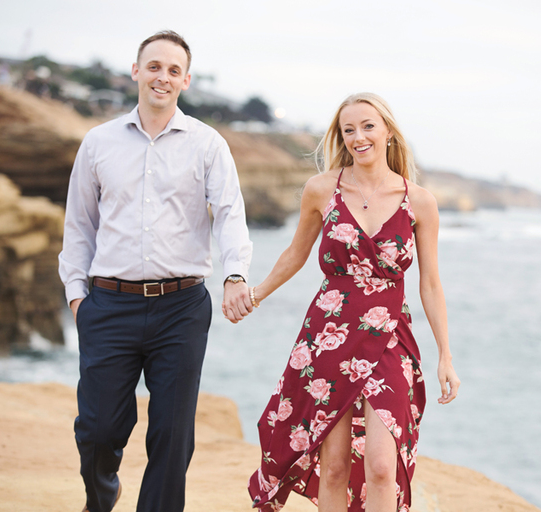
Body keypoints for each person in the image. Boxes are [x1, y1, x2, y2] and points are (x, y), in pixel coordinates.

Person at [58, 30, 253, 512]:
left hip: (181, 308)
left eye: (173, 70)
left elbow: (230, 214)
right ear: (136, 71)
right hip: (108, 305)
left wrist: (235, 275)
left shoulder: (208, 144)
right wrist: (77, 297)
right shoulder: (98, 142)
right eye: (154, 66)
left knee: (172, 434)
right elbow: (79, 223)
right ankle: (102, 494)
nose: (162, 77)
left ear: (185, 80)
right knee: (98, 430)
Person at [247, 93, 460, 511]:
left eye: (367, 126)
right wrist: (255, 294)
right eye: (349, 130)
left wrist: (445, 356)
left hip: (391, 336)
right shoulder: (321, 189)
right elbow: (295, 255)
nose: (358, 137)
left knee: (381, 466)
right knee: (334, 467)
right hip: (329, 334)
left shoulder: (419, 201)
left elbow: (431, 284)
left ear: (388, 132)